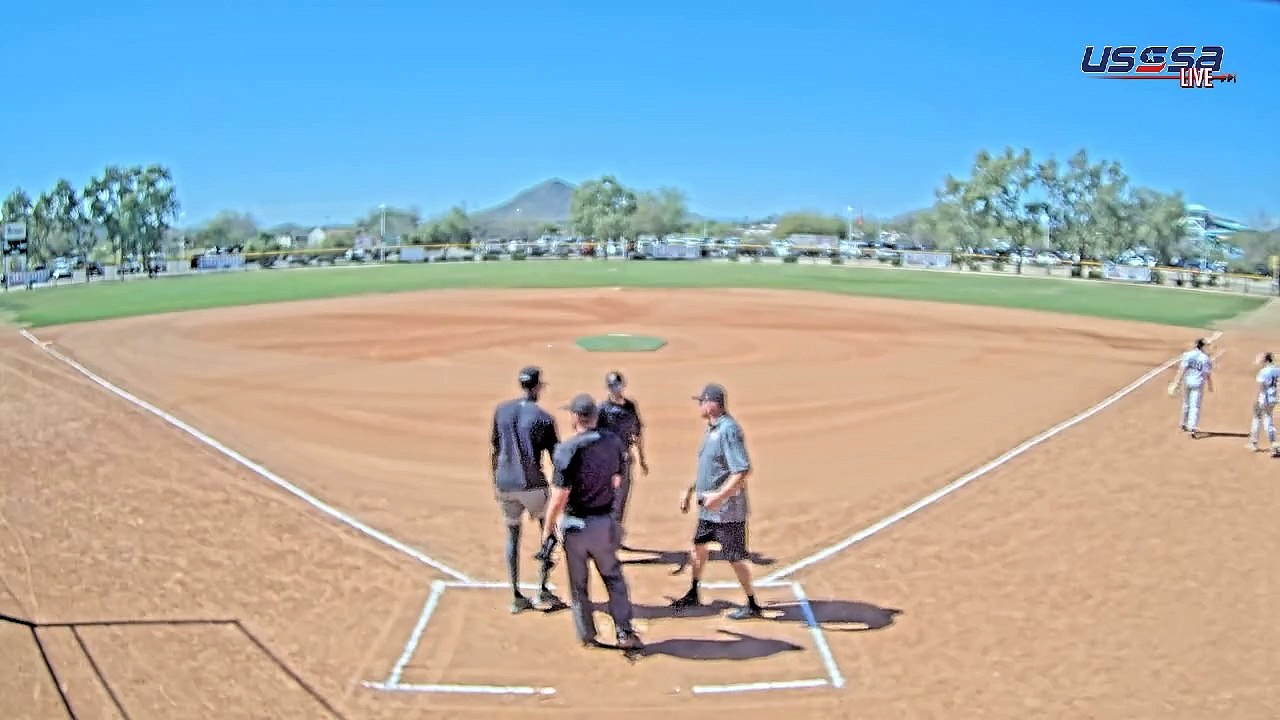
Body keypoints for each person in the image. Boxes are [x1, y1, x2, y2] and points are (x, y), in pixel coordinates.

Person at [541, 393, 643, 651]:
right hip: (603, 523)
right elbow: (618, 480)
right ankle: (624, 632)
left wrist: (548, 529)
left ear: (576, 417)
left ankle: (587, 634)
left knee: (578, 586)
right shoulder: (613, 443)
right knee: (613, 578)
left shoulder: (568, 449)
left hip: (575, 526)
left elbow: (559, 496)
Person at [670, 383, 762, 620]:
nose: (699, 405)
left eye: (702, 401)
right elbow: (710, 469)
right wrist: (690, 489)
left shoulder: (728, 430)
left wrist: (718, 497)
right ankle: (693, 591)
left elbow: (741, 470)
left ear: (712, 404)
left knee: (734, 557)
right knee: (698, 548)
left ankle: (752, 603)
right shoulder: (712, 430)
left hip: (727, 511)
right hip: (709, 510)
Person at [491, 366, 567, 614]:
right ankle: (542, 589)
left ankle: (515, 596)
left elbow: (495, 450)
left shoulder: (501, 411)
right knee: (548, 531)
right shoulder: (543, 418)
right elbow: (557, 460)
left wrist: (496, 480)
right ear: (537, 387)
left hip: (505, 484)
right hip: (532, 484)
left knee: (512, 536)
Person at [596, 371, 648, 547]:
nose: (615, 390)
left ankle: (614, 535)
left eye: (617, 386)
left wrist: (641, 459)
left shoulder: (630, 408)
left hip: (625, 460)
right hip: (607, 463)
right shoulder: (602, 409)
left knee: (621, 500)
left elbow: (637, 433)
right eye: (612, 387)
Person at [1168, 338, 1214, 437]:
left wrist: (1176, 382)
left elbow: (1182, 369)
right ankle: (1192, 427)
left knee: (1186, 403)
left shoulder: (1188, 354)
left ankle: (1183, 423)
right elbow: (1207, 373)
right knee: (1195, 405)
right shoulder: (1205, 358)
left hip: (1188, 382)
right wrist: (1210, 385)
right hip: (1198, 384)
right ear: (1202, 346)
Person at [1249, 352, 1279, 453]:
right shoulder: (1277, 370)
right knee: (1268, 420)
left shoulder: (1263, 371)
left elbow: (1261, 385)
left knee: (1257, 419)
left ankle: (1253, 443)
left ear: (1266, 360)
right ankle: (1273, 443)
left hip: (1263, 399)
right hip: (1273, 399)